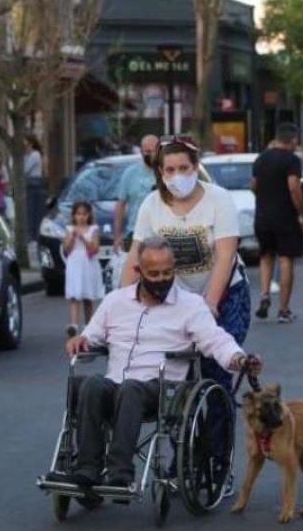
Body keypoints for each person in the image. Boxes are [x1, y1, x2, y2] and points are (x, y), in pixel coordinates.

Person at [48, 236, 262, 489]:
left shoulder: (190, 305)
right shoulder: (115, 302)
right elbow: (91, 336)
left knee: (131, 389)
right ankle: (87, 471)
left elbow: (216, 340)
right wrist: (80, 340)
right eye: (154, 273)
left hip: (162, 389)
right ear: (138, 271)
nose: (162, 278)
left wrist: (239, 359)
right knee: (92, 384)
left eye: (168, 272)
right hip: (115, 383)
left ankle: (120, 473)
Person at [121, 135, 251, 404]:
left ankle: (217, 440)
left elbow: (225, 255)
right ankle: (182, 438)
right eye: (170, 170)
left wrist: (211, 303)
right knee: (172, 376)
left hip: (225, 296)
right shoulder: (152, 205)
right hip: (176, 301)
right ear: (160, 172)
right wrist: (122, 304)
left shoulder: (219, 199)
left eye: (184, 168)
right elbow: (136, 255)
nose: (177, 175)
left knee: (215, 371)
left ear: (195, 167)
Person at [251, 123, 303, 323]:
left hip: (263, 217)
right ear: (292, 139)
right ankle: (283, 309)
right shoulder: (292, 160)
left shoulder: (261, 158)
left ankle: (265, 294)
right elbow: (294, 186)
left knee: (266, 257)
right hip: (285, 217)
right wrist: (302, 213)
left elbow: (254, 185)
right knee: (286, 260)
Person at [63, 200, 105, 337]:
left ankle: (89, 326)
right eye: (78, 214)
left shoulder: (93, 229)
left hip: (88, 264)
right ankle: (74, 325)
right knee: (75, 295)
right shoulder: (69, 230)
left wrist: (83, 238)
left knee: (88, 296)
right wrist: (73, 238)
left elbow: (95, 248)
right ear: (74, 215)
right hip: (75, 263)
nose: (81, 217)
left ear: (89, 215)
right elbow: (67, 249)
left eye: (84, 214)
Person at [113, 134, 159, 254]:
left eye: (154, 151)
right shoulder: (130, 174)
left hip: (160, 233)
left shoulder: (166, 172)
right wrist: (117, 235)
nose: (151, 154)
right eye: (147, 151)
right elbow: (120, 205)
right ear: (141, 152)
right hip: (134, 233)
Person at [24, 134, 46, 242]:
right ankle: (30, 235)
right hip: (26, 186)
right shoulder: (24, 156)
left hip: (35, 185)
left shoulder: (35, 155)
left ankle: (34, 236)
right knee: (28, 212)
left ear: (30, 143)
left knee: (34, 212)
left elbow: (25, 170)